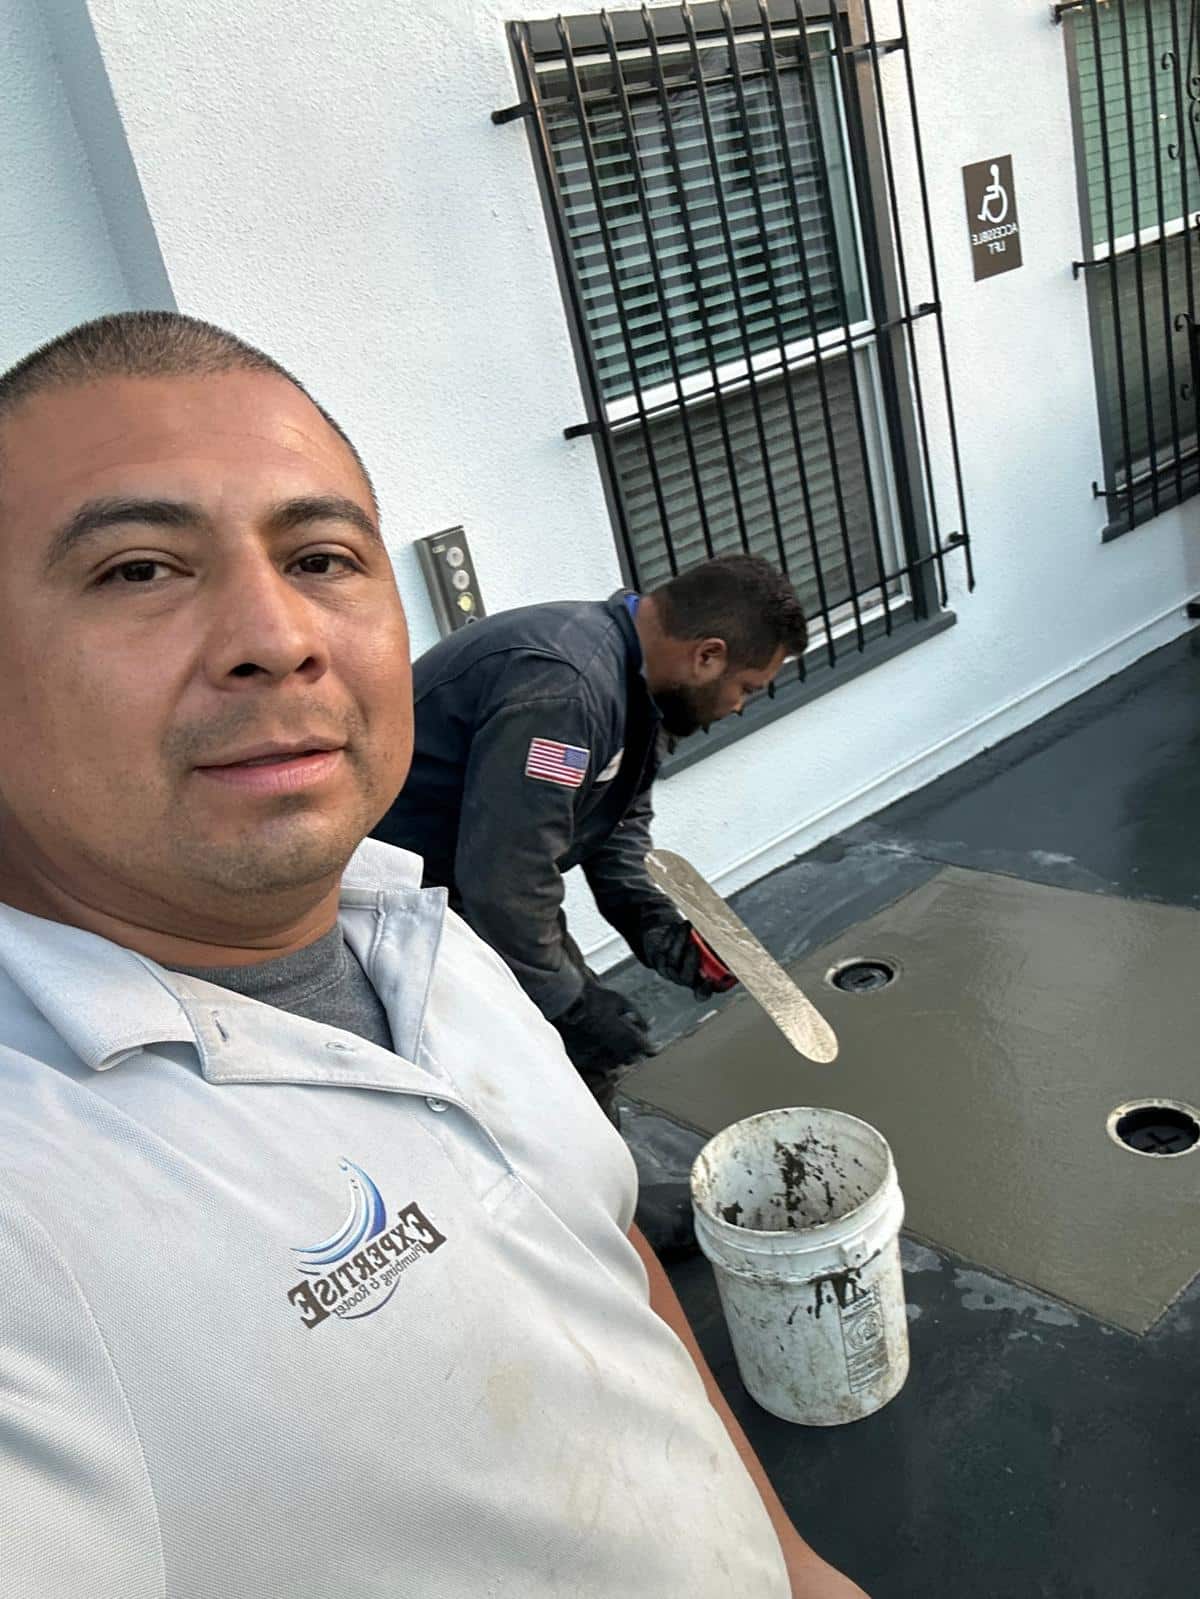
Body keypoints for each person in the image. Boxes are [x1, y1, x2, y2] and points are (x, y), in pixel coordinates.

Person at [0, 311, 868, 1598]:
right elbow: (516, 877)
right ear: (701, 656)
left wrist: (787, 1561)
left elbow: (608, 858)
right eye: (138, 569)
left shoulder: (422, 942)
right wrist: (583, 1008)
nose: (276, 634)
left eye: (323, 555)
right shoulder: (35, 1218)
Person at [372, 555, 807, 1112]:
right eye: (747, 686)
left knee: (578, 1057)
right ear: (708, 656)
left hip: (468, 884)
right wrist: (569, 1006)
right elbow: (507, 878)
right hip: (400, 906)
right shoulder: (566, 692)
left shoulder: (639, 687)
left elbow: (618, 822)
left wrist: (656, 926)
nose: (739, 705)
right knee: (533, 1078)